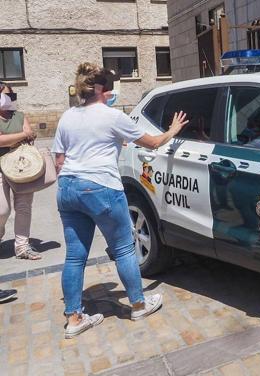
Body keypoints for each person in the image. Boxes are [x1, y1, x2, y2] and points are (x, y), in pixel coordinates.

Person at [53, 63, 188, 338]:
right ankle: (138, 304)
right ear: (102, 90)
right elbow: (153, 142)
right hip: (101, 187)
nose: (113, 95)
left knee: (75, 256)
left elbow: (59, 159)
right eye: (111, 90)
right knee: (125, 248)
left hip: (67, 187)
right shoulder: (112, 116)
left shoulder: (67, 116)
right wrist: (172, 131)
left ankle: (74, 318)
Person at [0, 83, 40, 261]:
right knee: (2, 210)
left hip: (23, 166)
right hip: (1, 169)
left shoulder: (20, 115)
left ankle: (22, 247)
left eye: (12, 95)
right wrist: (22, 135)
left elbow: (29, 133)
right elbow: (2, 142)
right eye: (8, 95)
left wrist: (17, 137)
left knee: (23, 207)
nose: (11, 98)